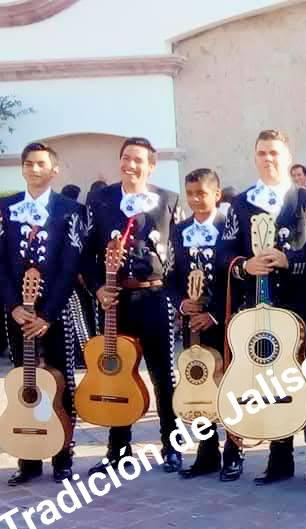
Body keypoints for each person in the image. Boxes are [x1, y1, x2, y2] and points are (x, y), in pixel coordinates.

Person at [218, 129, 306, 486]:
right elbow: (223, 252)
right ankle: (279, 458)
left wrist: (291, 259)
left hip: (302, 304)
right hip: (257, 306)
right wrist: (243, 265)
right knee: (268, 380)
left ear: (287, 156)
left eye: (274, 153)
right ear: (255, 157)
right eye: (262, 153)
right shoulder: (240, 204)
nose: (268, 159)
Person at [84, 137, 185, 475]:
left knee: (163, 375)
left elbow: (179, 253)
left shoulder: (168, 201)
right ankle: (118, 450)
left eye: (138, 160)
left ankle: (171, 445)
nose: (130, 165)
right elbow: (84, 254)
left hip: (155, 298)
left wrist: (176, 294)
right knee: (114, 373)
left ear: (151, 166)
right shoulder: (100, 200)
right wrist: (98, 287)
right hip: (115, 300)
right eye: (125, 158)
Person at [1, 142, 86, 485]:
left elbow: (70, 266)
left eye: (40, 164)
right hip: (18, 312)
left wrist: (47, 313)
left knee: (62, 380)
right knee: (26, 380)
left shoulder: (70, 210)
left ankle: (64, 454)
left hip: (56, 310)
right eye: (28, 164)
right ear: (21, 169)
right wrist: (13, 306)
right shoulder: (4, 209)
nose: (33, 169)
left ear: (54, 170)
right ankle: (29, 457)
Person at [169, 168, 244, 482]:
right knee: (197, 382)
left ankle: (234, 451)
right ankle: (206, 450)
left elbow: (238, 278)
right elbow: (171, 274)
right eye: (190, 194)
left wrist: (212, 312)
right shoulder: (180, 229)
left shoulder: (230, 229)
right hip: (192, 322)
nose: (196, 199)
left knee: (229, 385)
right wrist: (181, 302)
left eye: (202, 193)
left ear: (216, 194)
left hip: (223, 319)